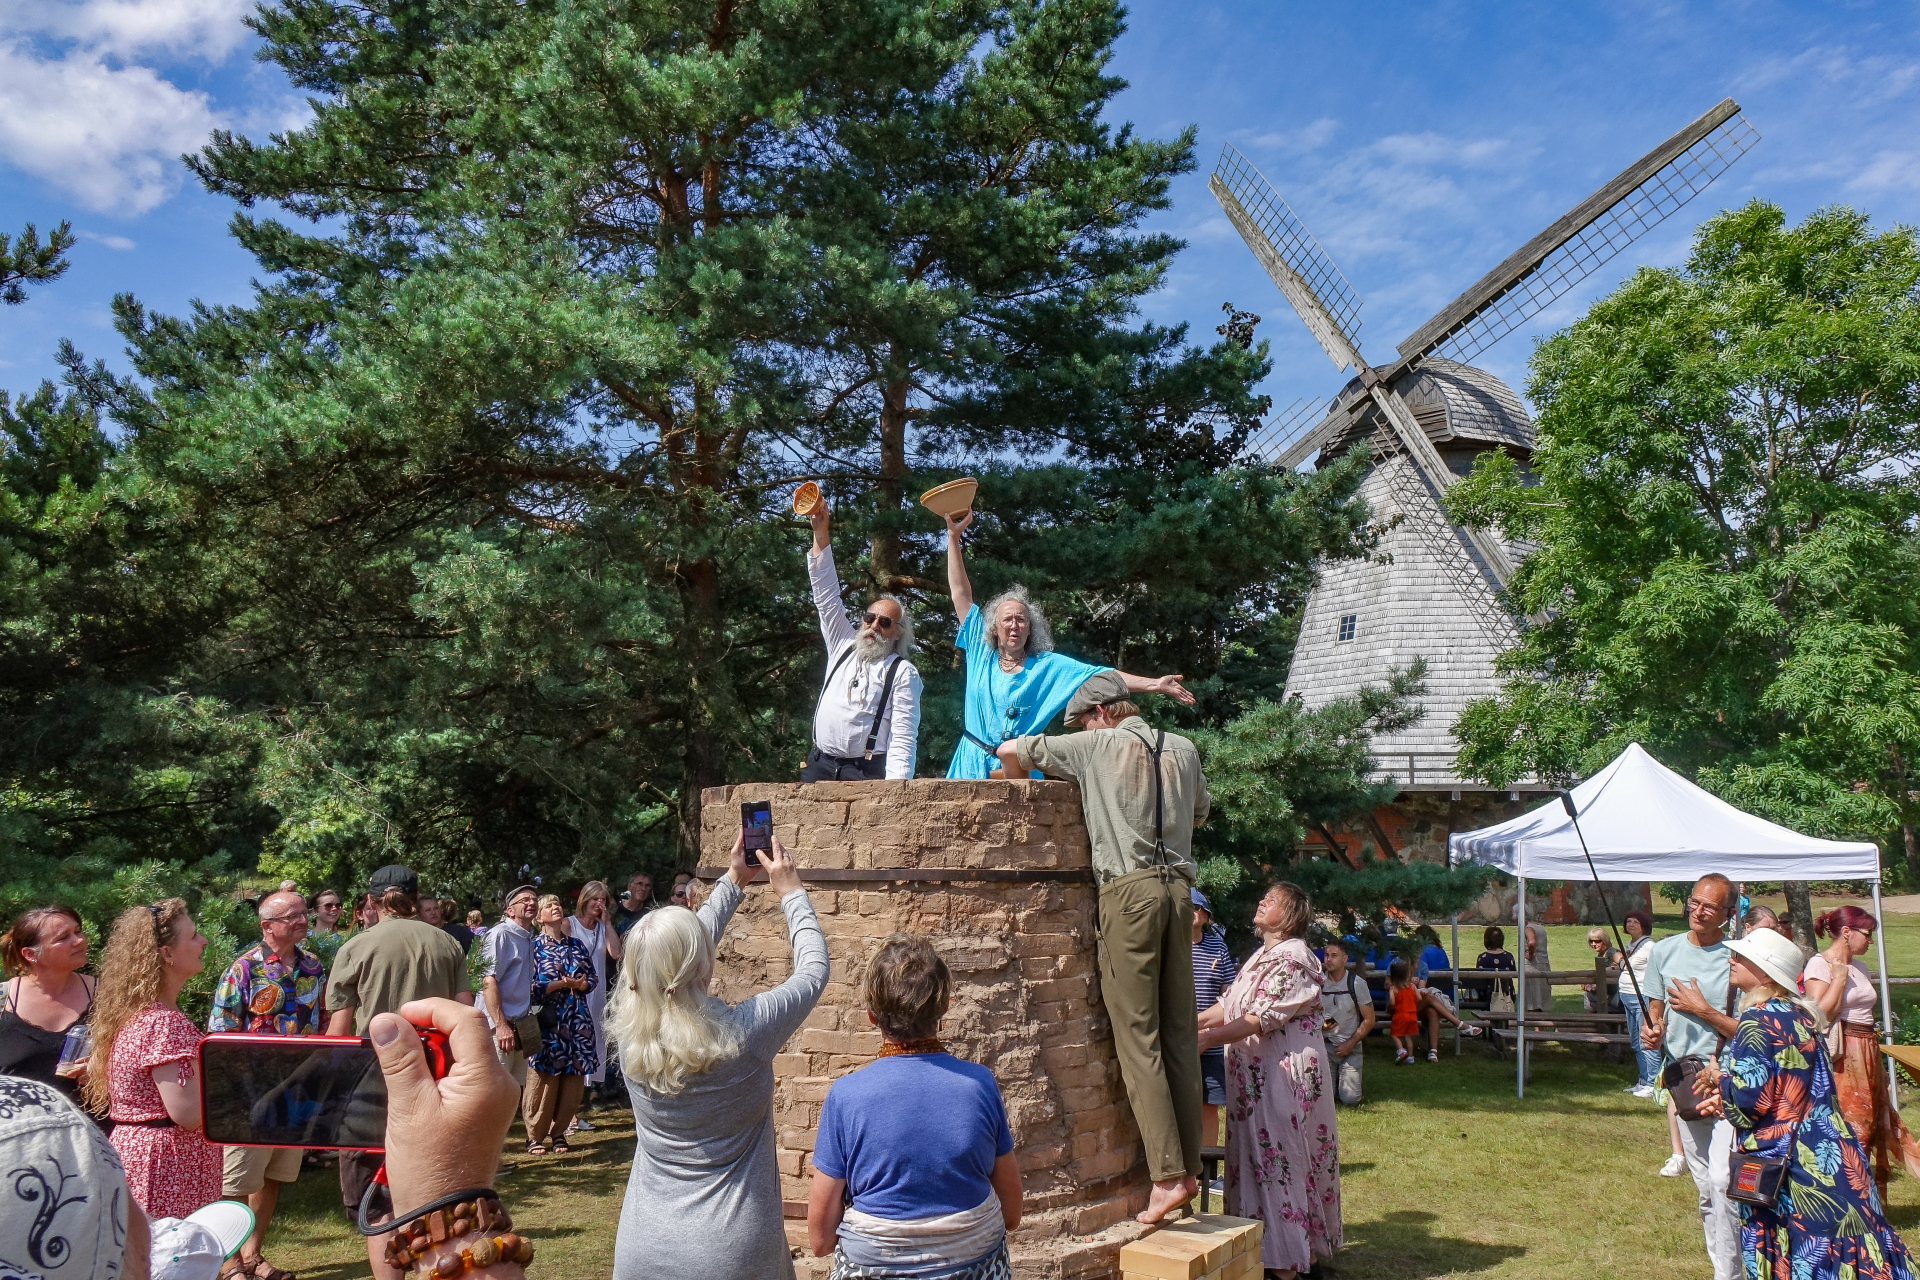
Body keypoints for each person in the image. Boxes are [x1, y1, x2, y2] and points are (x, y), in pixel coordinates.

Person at [996, 675, 1208, 1224]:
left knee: (1139, 1038)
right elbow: (1200, 813)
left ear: (1104, 713)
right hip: (1180, 894)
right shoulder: (1183, 749)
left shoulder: (1097, 745)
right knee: (1181, 1034)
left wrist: (1015, 778)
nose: (1083, 729)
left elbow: (1010, 748)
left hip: (1128, 895)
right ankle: (1189, 1169)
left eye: (1084, 720)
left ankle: (1165, 1178)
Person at [609, 830, 827, 1280]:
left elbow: (672, 959)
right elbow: (812, 970)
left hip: (643, 1247)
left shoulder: (629, 1033)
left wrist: (733, 879)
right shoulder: (743, 1034)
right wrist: (791, 891)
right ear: (705, 963)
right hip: (733, 1250)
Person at [1694, 927, 1918, 1280]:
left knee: (1799, 1255)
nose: (1731, 960)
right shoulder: (1802, 1017)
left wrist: (1718, 1079)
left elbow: (1749, 1103)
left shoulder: (1756, 1019)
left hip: (1789, 1167)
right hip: (1835, 1154)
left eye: (1740, 956)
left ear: (1765, 972)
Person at [807, 934, 1022, 1280]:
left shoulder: (846, 1096)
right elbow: (1011, 1214)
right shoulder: (979, 1086)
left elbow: (819, 1240)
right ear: (945, 1008)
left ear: (871, 1016)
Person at [942, 507, 1193, 779]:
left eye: (1022, 620)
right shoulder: (982, 653)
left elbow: (1102, 675)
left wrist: (1155, 684)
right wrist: (953, 540)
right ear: (994, 627)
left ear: (1031, 629)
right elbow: (960, 594)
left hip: (1019, 771)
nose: (1014, 625)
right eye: (1007, 620)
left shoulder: (1048, 666)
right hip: (970, 766)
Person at [323, 864, 472, 1272]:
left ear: (371, 901)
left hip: (371, 1085)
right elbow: (466, 1015)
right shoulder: (447, 944)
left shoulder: (356, 947)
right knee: (437, 1195)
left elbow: (338, 1032)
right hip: (436, 1081)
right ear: (416, 898)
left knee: (378, 1202)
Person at [1198, 882, 1339, 1280]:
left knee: (1280, 1161)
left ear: (1291, 916)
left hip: (1282, 1077)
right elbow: (1229, 1005)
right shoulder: (1262, 954)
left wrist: (1204, 1041)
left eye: (1273, 900)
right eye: (1264, 897)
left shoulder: (1294, 957)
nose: (1262, 901)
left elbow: (1262, 1017)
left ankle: (1286, 1265)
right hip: (1255, 1078)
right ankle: (1271, 1253)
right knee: (1258, 1160)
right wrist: (1188, 1028)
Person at [208, 890, 326, 1280]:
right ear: (267, 926)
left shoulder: (313, 966)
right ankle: (230, 1265)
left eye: (303, 913)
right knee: (236, 1179)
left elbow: (322, 1020)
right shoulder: (242, 970)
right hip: (252, 1094)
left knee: (275, 1174)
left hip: (296, 1092)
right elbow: (220, 1032)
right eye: (291, 916)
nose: (301, 920)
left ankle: (254, 1256)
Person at [85, 898, 222, 1220]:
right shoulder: (163, 1023)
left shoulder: (142, 1014)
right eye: (192, 936)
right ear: (166, 954)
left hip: (146, 1156)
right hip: (164, 1166)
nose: (203, 941)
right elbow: (188, 1113)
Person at [1641, 872, 1740, 1280]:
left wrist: (1703, 1011)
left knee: (1724, 1181)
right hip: (1685, 1081)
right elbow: (1654, 1012)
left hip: (1733, 1081)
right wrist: (1652, 1030)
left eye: (1710, 906)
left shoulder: (1737, 959)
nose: (1698, 911)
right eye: (1694, 902)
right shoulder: (1663, 952)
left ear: (1728, 914)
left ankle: (1735, 1272)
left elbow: (1754, 1030)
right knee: (1705, 1187)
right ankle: (1723, 1269)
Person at [802, 496, 923, 780]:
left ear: (898, 632)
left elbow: (903, 736)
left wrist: (896, 791)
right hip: (819, 765)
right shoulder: (842, 644)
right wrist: (820, 533)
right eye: (869, 618)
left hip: (864, 772)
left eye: (884, 622)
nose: (874, 626)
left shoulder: (903, 673)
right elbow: (826, 595)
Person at [1806, 905, 1920, 1191]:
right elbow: (1819, 1015)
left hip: (1867, 1048)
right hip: (1844, 1054)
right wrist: (1839, 978)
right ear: (1846, 932)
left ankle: (1868, 1197)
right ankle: (1847, 1195)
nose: (1870, 941)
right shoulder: (1819, 965)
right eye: (1867, 934)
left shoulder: (1860, 966)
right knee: (1853, 1124)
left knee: (1875, 1121)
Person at [523, 893, 597, 1155]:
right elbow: (531, 987)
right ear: (539, 918)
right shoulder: (533, 947)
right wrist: (561, 985)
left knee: (572, 1079)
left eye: (557, 904)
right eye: (549, 906)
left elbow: (593, 979)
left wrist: (580, 984)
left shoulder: (576, 945)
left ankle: (560, 1133)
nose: (556, 908)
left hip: (577, 1020)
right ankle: (535, 1135)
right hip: (549, 1021)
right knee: (544, 1077)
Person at [0, 904, 96, 1103]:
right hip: (20, 1130)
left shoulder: (107, 996)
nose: (79, 940)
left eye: (78, 931)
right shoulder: (3, 1000)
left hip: (91, 1130)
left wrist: (105, 1069)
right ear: (30, 954)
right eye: (63, 937)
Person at [1190, 888, 1238, 1148]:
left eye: (1197, 908)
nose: (1192, 912)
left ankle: (1206, 1171)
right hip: (1176, 1038)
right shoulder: (1169, 945)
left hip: (1210, 1040)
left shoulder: (1217, 945)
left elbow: (1229, 992)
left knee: (1209, 1104)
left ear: (1206, 916)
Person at [567, 882, 621, 1110]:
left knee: (593, 1043)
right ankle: (569, 1108)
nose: (598, 904)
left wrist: (607, 923)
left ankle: (585, 1097)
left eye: (603, 900)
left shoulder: (601, 928)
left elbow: (616, 953)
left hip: (596, 994)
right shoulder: (568, 924)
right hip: (573, 993)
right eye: (594, 899)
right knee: (572, 1044)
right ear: (584, 900)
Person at [480, 885, 540, 1089]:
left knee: (514, 1092)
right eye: (524, 900)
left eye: (534, 899)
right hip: (499, 1030)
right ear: (509, 910)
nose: (531, 902)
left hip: (520, 1026)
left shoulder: (528, 936)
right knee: (495, 1091)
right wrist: (501, 1025)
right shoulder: (500, 935)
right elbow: (488, 980)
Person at [1319, 938, 1374, 1106]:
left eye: (1334, 955)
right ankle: (1332, 1083)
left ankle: (1344, 1083)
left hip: (1350, 1046)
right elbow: (1306, 1015)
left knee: (1350, 1100)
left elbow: (1370, 1020)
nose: (1329, 959)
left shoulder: (1356, 983)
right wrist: (1320, 1024)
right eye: (1326, 955)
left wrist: (1350, 1043)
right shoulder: (1317, 984)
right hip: (1324, 1046)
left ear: (1345, 958)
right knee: (1322, 1100)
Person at [1412, 938, 1483, 1060]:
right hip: (1401, 1003)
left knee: (1432, 1011)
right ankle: (1459, 1024)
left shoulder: (1422, 966)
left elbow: (1421, 988)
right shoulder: (1397, 964)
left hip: (1416, 1002)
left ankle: (1433, 1052)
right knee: (1430, 997)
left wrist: (1418, 989)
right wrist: (1408, 984)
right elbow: (1390, 985)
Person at [1616, 910, 1660, 1098]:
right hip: (1626, 995)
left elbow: (1657, 970)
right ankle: (1642, 1080)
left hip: (1641, 995)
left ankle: (1653, 1083)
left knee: (1647, 1039)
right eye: (1628, 921)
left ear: (1644, 925)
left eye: (1635, 921)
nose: (1631, 924)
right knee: (1635, 1040)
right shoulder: (1631, 944)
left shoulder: (1649, 946)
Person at [1514, 904, 1552, 1013]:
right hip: (1543, 965)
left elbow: (1532, 942)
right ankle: (1539, 1029)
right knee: (1539, 1004)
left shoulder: (1528, 928)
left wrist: (1530, 953)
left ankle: (1538, 1029)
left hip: (1532, 967)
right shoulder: (1539, 926)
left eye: (1514, 914)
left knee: (1533, 1004)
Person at [1472, 926, 1517, 1013]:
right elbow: (1513, 973)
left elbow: (1479, 977)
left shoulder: (1482, 958)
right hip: (1505, 993)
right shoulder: (1508, 957)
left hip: (1487, 996)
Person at [1582, 927, 1623, 1013]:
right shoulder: (1601, 954)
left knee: (1588, 996)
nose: (1593, 944)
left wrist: (1610, 968)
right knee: (1589, 994)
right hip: (1608, 990)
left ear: (1605, 940)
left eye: (1597, 941)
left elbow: (1622, 960)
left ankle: (1590, 1022)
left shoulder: (1611, 952)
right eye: (1591, 941)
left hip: (1617, 995)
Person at [1386, 960, 1419, 1064]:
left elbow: (1392, 1002)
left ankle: (1401, 1051)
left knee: (1394, 1034)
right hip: (1412, 1015)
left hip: (1400, 1014)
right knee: (1408, 1035)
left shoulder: (1394, 988)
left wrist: (1391, 1006)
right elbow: (1419, 997)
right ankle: (1410, 1057)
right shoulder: (1412, 986)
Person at [305, 890, 345, 972]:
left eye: (338, 906)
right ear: (315, 911)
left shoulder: (342, 941)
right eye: (328, 906)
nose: (334, 909)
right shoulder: (305, 938)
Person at [612, 872, 655, 938]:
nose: (643, 889)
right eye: (639, 884)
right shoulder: (615, 910)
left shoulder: (649, 915)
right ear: (629, 887)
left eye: (647, 886)